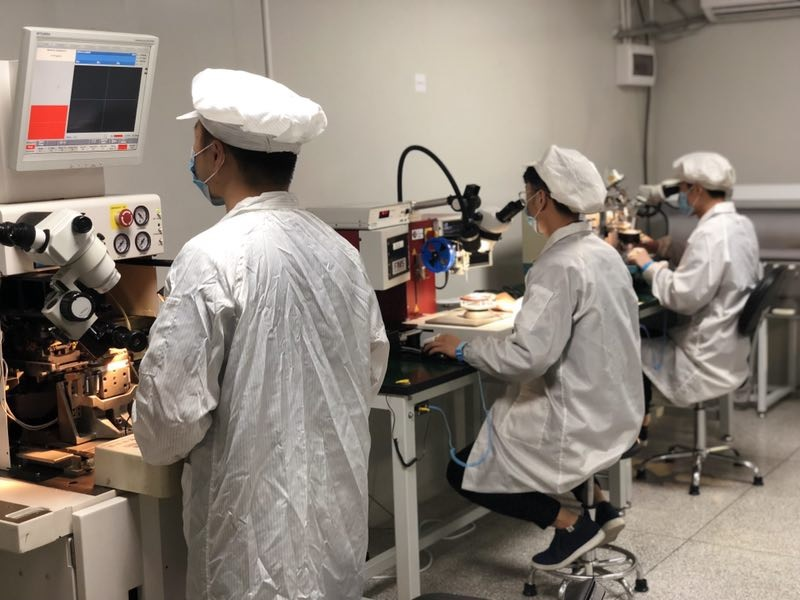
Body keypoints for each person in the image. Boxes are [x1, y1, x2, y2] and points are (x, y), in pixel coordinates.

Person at [132, 69, 390, 600]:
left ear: (217, 155)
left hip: (250, 539)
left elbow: (166, 429)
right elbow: (368, 371)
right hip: (334, 516)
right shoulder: (339, 252)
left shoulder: (211, 257)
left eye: (197, 142)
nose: (194, 156)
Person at [424, 145, 643, 571]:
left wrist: (463, 348)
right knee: (526, 424)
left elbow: (527, 358)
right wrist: (526, 306)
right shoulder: (603, 253)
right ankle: (602, 508)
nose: (524, 204)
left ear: (541, 199)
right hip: (613, 412)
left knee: (463, 469)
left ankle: (571, 525)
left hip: (575, 421)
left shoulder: (555, 265)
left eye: (527, 195)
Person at [628, 152, 760, 415]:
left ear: (697, 190)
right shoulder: (739, 225)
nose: (681, 196)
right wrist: (658, 247)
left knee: (623, 348)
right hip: (728, 352)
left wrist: (647, 264)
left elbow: (682, 297)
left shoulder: (710, 234)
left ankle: (635, 431)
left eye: (682, 189)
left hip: (701, 359)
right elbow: (710, 263)